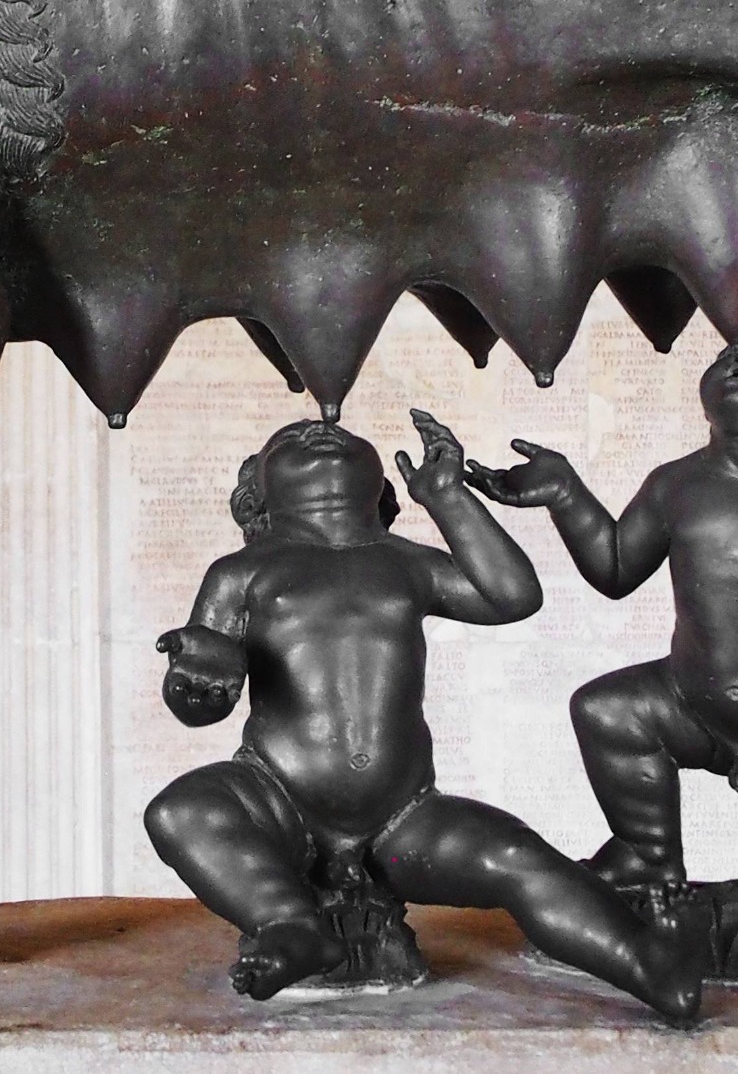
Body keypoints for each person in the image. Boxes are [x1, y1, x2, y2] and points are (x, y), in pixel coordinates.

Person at [145, 410, 706, 1023]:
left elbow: (510, 596)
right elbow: (201, 688)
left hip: (405, 815)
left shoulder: (405, 561)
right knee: (181, 811)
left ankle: (644, 961)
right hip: (276, 795)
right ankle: (288, 923)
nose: (317, 432)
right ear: (259, 494)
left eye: (336, 434)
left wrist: (448, 497)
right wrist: (199, 684)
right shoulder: (242, 572)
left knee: (518, 858)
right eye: (289, 441)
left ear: (380, 486)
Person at [467, 316, 738, 906]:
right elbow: (616, 569)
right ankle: (646, 853)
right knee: (607, 710)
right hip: (686, 702)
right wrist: (565, 493)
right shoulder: (676, 483)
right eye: (736, 346)